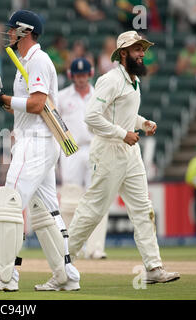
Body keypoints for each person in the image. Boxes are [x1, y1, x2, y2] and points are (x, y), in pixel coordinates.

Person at [0, 10, 80, 292]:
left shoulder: (38, 60)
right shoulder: (27, 61)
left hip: (37, 141)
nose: (8, 33)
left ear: (25, 31)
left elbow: (36, 103)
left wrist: (2, 97)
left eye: (12, 29)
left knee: (10, 201)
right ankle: (66, 275)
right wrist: (1, 102)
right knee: (46, 211)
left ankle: (6, 276)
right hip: (32, 139)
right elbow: (28, 106)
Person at [67, 30, 180, 284]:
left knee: (143, 210)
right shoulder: (111, 79)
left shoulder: (133, 79)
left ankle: (153, 268)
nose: (142, 54)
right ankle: (62, 264)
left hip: (130, 153)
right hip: (108, 151)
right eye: (137, 49)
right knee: (93, 211)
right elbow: (92, 116)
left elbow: (123, 114)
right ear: (123, 53)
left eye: (143, 49)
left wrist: (142, 122)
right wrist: (122, 133)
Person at [57, 58, 108, 260]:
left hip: (95, 146)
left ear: (91, 73)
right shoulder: (62, 97)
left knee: (97, 197)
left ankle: (96, 248)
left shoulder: (100, 96)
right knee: (70, 199)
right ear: (71, 75)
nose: (80, 79)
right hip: (71, 149)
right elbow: (56, 125)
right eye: (77, 75)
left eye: (83, 75)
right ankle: (71, 248)